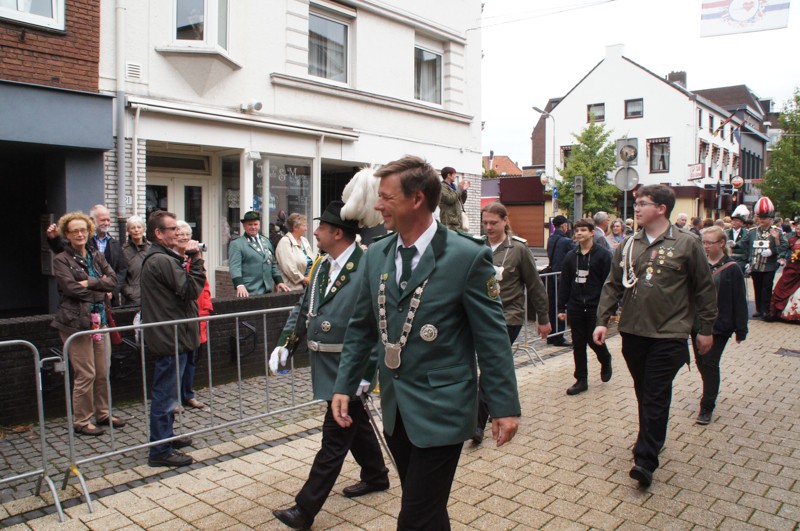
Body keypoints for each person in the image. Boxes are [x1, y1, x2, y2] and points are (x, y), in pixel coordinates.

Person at [330, 156, 520, 529]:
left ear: (416, 199)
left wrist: (504, 406)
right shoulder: (377, 255)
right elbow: (362, 327)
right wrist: (344, 384)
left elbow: (492, 336)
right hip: (397, 410)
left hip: (443, 408)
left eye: (386, 197)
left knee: (414, 516)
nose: (377, 205)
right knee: (428, 509)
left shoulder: (467, 255)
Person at [270, 200, 389, 530]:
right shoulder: (322, 265)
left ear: (338, 233)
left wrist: (367, 372)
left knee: (335, 437)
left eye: (321, 227)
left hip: (351, 368)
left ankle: (305, 509)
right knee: (354, 423)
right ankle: (376, 475)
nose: (315, 232)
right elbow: (303, 308)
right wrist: (285, 345)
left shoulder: (367, 266)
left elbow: (379, 325)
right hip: (327, 365)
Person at [593, 184, 717, 489]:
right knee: (644, 390)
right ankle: (651, 437)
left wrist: (705, 329)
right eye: (636, 203)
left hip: (670, 333)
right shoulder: (628, 245)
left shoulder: (687, 243)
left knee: (655, 393)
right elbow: (612, 284)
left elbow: (704, 288)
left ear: (661, 208)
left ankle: (645, 460)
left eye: (643, 203)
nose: (636, 208)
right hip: (634, 331)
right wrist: (602, 321)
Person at [476, 202, 551, 443]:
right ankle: (507, 405)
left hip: (508, 316)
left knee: (491, 364)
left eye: (493, 223)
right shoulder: (477, 247)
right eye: (485, 223)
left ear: (505, 221)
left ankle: (476, 423)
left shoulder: (518, 249)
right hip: (481, 315)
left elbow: (535, 285)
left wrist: (543, 319)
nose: (489, 227)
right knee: (499, 364)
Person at [141, 211, 206, 467]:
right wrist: (197, 261)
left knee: (170, 393)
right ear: (158, 233)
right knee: (165, 395)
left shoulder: (165, 258)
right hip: (170, 338)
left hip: (174, 335)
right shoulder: (161, 260)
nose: (178, 233)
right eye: (173, 229)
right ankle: (159, 450)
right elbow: (190, 290)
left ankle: (165, 437)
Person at [50, 211, 123, 436]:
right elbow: (71, 289)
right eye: (75, 231)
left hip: (100, 320)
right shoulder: (61, 259)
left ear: (89, 231)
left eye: (83, 230)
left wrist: (90, 282)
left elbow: (113, 280)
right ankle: (81, 420)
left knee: (102, 371)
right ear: (67, 234)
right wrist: (100, 287)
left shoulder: (96, 255)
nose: (80, 234)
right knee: (86, 373)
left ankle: (103, 413)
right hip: (76, 323)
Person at [694, 226, 748, 425]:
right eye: (704, 242)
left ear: (722, 243)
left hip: (720, 325)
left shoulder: (732, 268)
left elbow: (739, 299)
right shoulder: (699, 264)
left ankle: (707, 406)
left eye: (710, 243)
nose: (706, 246)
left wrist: (741, 329)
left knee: (709, 363)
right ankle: (709, 388)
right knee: (701, 362)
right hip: (697, 323)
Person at [558, 218, 613, 396]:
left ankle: (605, 359)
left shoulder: (603, 255)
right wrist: (561, 308)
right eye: (577, 230)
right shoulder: (571, 256)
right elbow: (565, 283)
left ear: (591, 233)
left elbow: (610, 284)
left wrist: (611, 309)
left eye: (583, 230)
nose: (579, 233)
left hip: (595, 306)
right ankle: (581, 379)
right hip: (575, 306)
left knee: (593, 340)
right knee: (578, 344)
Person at [47, 204, 128, 307]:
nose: (106, 223)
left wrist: (112, 291)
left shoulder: (111, 246)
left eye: (108, 220)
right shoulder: (74, 247)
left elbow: (120, 273)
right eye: (103, 220)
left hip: (107, 304)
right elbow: (61, 248)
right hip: (79, 306)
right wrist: (54, 239)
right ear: (92, 220)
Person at [174, 220, 211, 410]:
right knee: (177, 359)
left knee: (192, 358)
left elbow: (204, 286)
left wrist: (206, 309)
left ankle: (187, 394)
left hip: (197, 314)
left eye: (187, 235)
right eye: (180, 234)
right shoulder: (171, 260)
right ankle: (174, 398)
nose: (184, 238)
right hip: (180, 314)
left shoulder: (195, 258)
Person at [744, 197, 789, 319]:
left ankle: (766, 310)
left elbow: (784, 245)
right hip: (756, 264)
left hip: (769, 265)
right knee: (757, 287)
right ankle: (759, 309)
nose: (761, 220)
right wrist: (734, 245)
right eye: (760, 218)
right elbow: (744, 244)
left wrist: (772, 251)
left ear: (770, 220)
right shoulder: (753, 231)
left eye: (764, 218)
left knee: (767, 288)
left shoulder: (776, 231)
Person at [228, 211, 290, 297]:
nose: (253, 227)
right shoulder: (237, 244)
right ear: (244, 226)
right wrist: (239, 285)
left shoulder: (266, 241)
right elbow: (235, 267)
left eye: (255, 224)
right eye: (250, 224)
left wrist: (279, 282)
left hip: (268, 290)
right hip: (248, 291)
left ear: (259, 225)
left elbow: (272, 263)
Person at [546, 215, 576, 346]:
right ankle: (559, 336)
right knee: (560, 307)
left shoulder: (551, 239)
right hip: (561, 278)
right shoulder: (566, 241)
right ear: (564, 226)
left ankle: (551, 335)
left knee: (552, 306)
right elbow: (577, 252)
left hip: (551, 276)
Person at [274, 213, 314, 290]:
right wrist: (303, 279)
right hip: (292, 288)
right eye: (304, 226)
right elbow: (288, 267)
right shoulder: (285, 242)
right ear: (295, 227)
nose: (306, 229)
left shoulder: (304, 240)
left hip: (307, 286)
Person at [769, 230, 800, 322]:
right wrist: (777, 239)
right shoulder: (791, 239)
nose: (798, 228)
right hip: (793, 268)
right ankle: (778, 312)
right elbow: (782, 249)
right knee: (781, 288)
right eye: (797, 226)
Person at [120, 215, 150, 306]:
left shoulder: (151, 248)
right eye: (133, 228)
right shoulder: (123, 251)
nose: (136, 230)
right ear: (128, 231)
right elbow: (120, 276)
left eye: (139, 227)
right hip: (131, 300)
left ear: (144, 229)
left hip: (150, 296)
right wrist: (129, 293)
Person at [438, 166, 469, 231]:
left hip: (458, 221)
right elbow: (450, 199)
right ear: (449, 175)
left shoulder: (454, 186)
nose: (455, 176)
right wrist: (459, 189)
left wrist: (464, 190)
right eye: (454, 174)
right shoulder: (442, 187)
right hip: (449, 222)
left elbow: (462, 201)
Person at [726, 205, 750, 272]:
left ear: (742, 223)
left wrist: (748, 261)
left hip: (741, 260)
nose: (734, 222)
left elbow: (748, 247)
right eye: (733, 220)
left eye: (736, 221)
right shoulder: (726, 232)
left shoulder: (747, 233)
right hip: (728, 259)